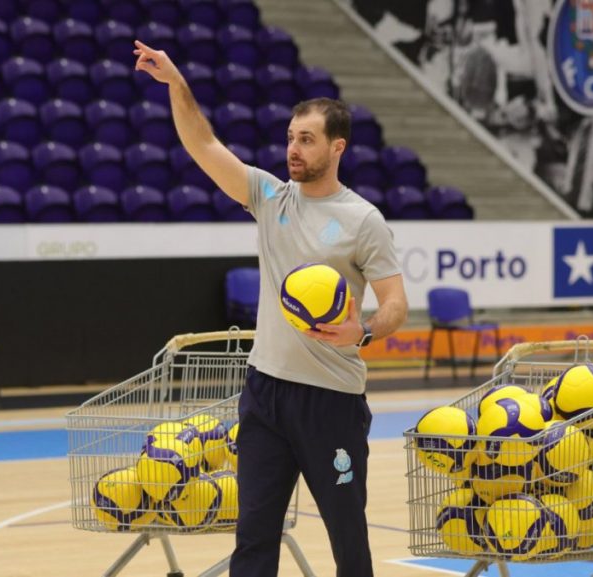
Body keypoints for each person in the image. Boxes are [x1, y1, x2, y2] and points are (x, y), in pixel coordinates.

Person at [133, 40, 409, 577]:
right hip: (264, 394)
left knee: (347, 537)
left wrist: (365, 330)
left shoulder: (363, 220)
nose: (294, 149)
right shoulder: (269, 198)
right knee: (254, 535)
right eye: (290, 138)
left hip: (331, 401)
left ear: (338, 148)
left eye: (307, 140)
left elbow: (396, 302)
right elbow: (204, 145)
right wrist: (176, 84)